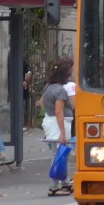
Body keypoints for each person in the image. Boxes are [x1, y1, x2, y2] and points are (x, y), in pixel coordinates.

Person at [40, 58, 74, 195]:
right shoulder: (60, 90)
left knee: (59, 154)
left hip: (50, 122)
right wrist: (63, 134)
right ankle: (53, 187)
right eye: (71, 70)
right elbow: (59, 111)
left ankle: (65, 183)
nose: (72, 72)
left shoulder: (48, 87)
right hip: (60, 124)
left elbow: (42, 104)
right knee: (59, 156)